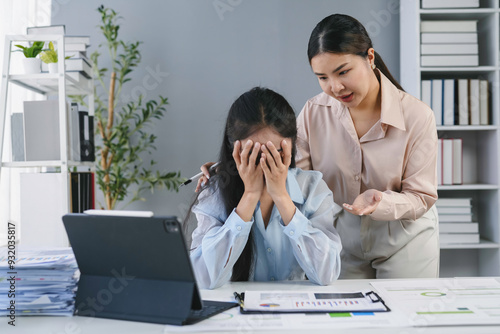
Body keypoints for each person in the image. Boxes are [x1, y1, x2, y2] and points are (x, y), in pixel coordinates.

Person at [295, 14, 439, 279]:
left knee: (404, 317)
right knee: (344, 318)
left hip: (404, 236)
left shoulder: (417, 116)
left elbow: (421, 197)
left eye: (343, 72)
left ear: (370, 58)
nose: (335, 87)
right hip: (338, 235)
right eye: (322, 77)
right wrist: (228, 170)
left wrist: (380, 201)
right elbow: (294, 178)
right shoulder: (312, 113)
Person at [187, 87, 343, 289]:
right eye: (251, 153)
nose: (263, 163)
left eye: (274, 152)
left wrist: (281, 197)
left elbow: (326, 274)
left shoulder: (312, 189)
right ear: (233, 149)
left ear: (291, 144)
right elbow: (204, 278)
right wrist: (250, 196)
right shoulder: (215, 192)